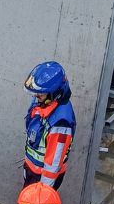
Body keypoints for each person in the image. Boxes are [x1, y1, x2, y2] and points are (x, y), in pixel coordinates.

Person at [23, 61, 76, 190]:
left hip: (42, 180)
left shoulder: (61, 122)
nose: (36, 96)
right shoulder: (44, 103)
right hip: (32, 171)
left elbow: (53, 163)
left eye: (40, 93)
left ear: (54, 92)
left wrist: (43, 192)